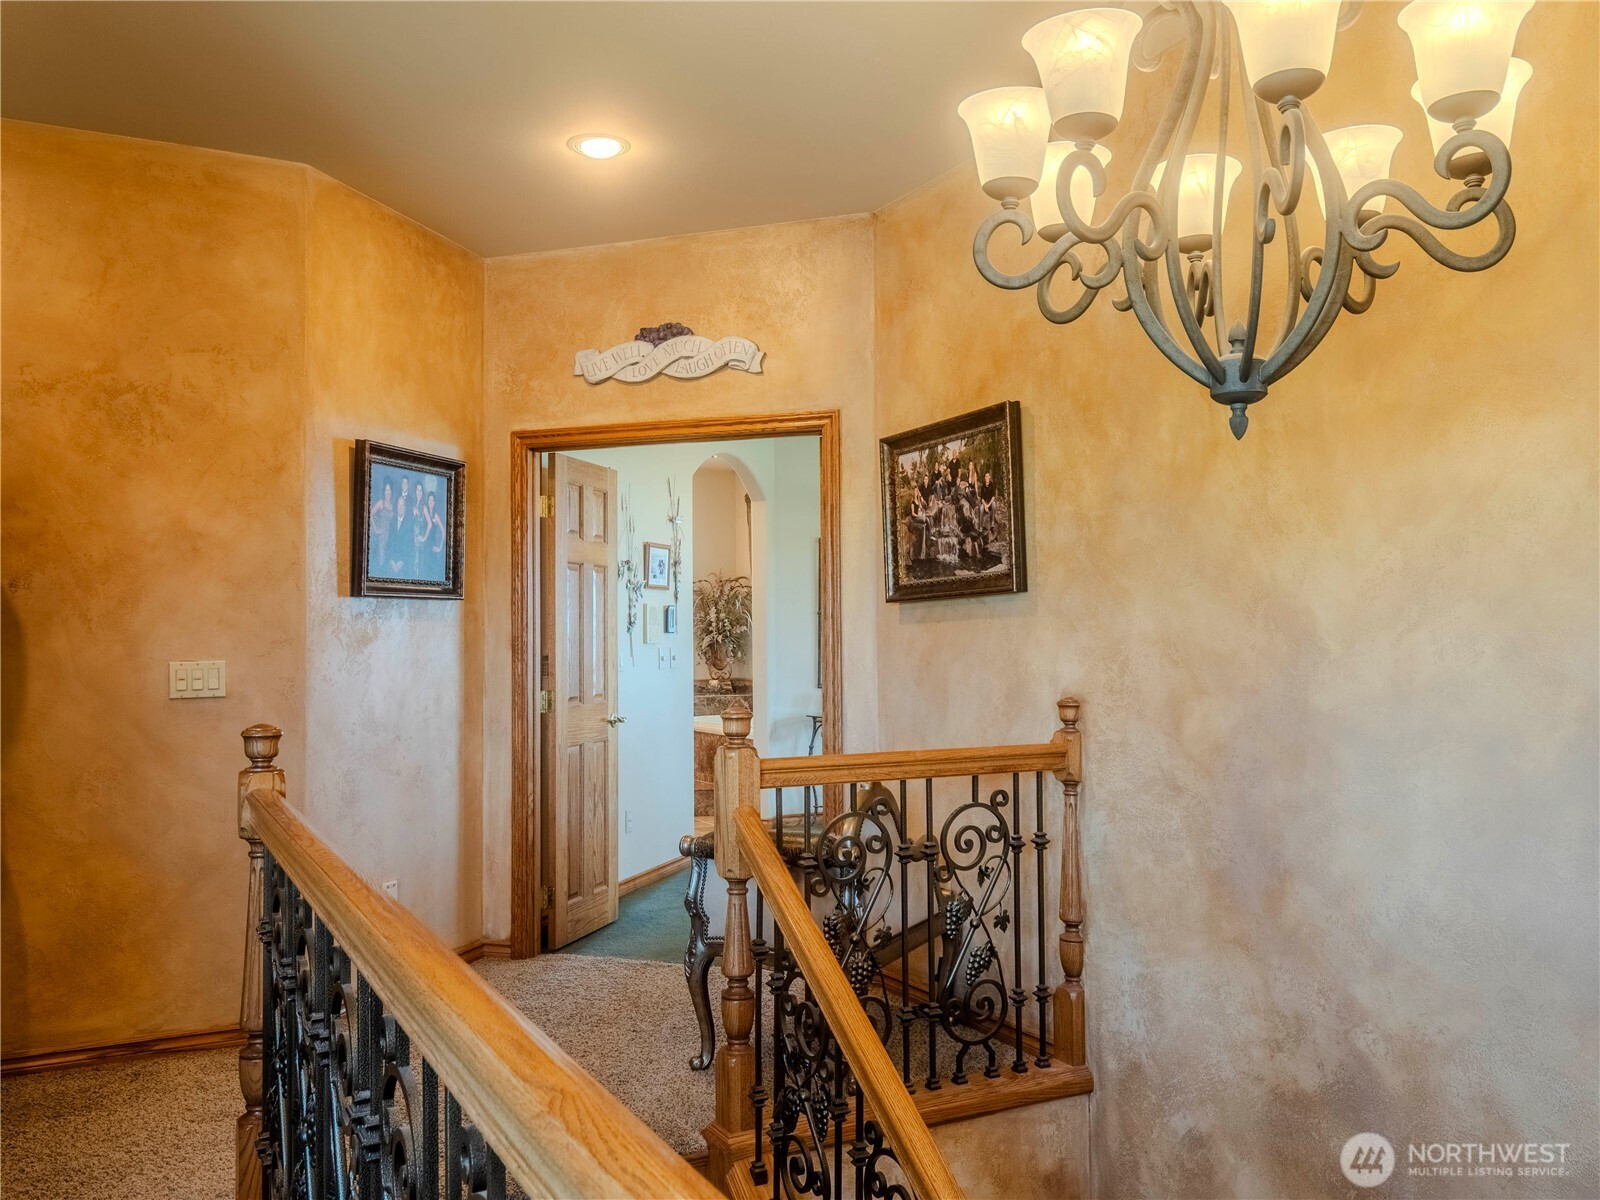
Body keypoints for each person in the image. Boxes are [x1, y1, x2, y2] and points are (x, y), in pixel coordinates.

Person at [370, 481, 394, 574]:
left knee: (388, 561)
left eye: (389, 490)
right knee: (381, 559)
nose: (388, 492)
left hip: (390, 537)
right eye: (386, 490)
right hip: (382, 537)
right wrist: (376, 529)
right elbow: (370, 513)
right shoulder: (381, 502)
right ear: (384, 491)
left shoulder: (393, 505)